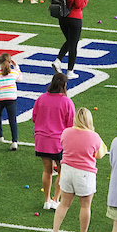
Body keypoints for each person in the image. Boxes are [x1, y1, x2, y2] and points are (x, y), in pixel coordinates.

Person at [48, 107, 107, 232]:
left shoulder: (66, 132)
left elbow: (63, 145)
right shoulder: (94, 136)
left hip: (67, 171)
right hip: (85, 173)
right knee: (85, 206)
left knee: (64, 203)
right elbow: (100, 154)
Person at [32, 73, 75, 210]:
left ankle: (47, 200)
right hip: (58, 141)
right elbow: (70, 124)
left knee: (47, 170)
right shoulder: (66, 101)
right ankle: (56, 199)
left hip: (41, 140)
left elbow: (34, 117)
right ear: (64, 85)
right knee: (62, 171)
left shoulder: (41, 98)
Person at [51, 0, 88, 79]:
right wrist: (86, 1)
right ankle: (70, 71)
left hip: (62, 18)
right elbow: (79, 5)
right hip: (75, 18)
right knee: (73, 44)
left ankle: (58, 61)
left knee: (70, 41)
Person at [0, 53, 22, 151]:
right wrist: (16, 66)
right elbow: (20, 78)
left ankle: (0, 136)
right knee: (12, 119)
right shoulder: (14, 72)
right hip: (11, 99)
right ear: (10, 62)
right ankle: (14, 141)